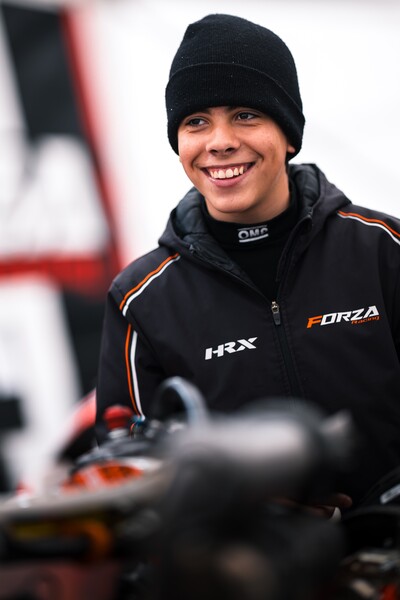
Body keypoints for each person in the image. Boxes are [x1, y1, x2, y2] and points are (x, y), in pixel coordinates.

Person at [95, 13, 400, 509]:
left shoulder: (384, 248)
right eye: (196, 122)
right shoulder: (140, 299)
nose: (219, 142)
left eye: (245, 115)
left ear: (289, 133)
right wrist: (250, 516)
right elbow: (126, 478)